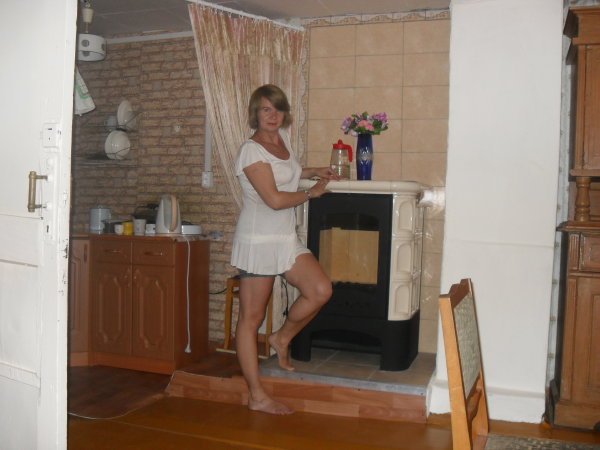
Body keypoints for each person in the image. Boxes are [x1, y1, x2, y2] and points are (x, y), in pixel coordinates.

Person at [230, 84, 338, 415]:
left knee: (320, 290)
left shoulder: (282, 141)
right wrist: (311, 193)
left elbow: (286, 173)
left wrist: (311, 171)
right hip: (258, 240)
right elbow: (275, 199)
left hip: (284, 237)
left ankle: (281, 338)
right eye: (266, 109)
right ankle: (256, 395)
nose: (273, 115)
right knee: (251, 319)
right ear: (256, 113)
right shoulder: (251, 151)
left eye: (277, 109)